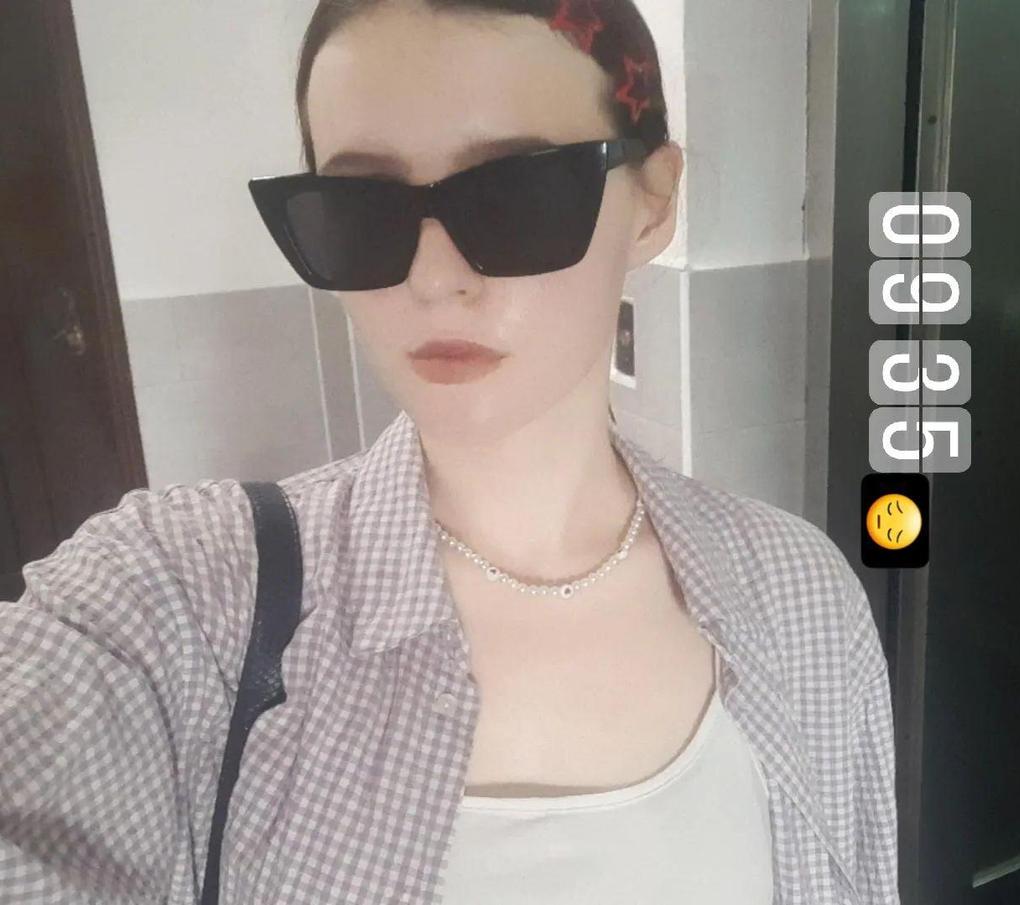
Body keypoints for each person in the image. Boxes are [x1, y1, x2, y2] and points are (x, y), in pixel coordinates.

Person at [0, 1, 899, 903]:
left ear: (653, 202)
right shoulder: (184, 597)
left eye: (517, 194)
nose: (431, 278)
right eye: (360, 208)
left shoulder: (801, 596)